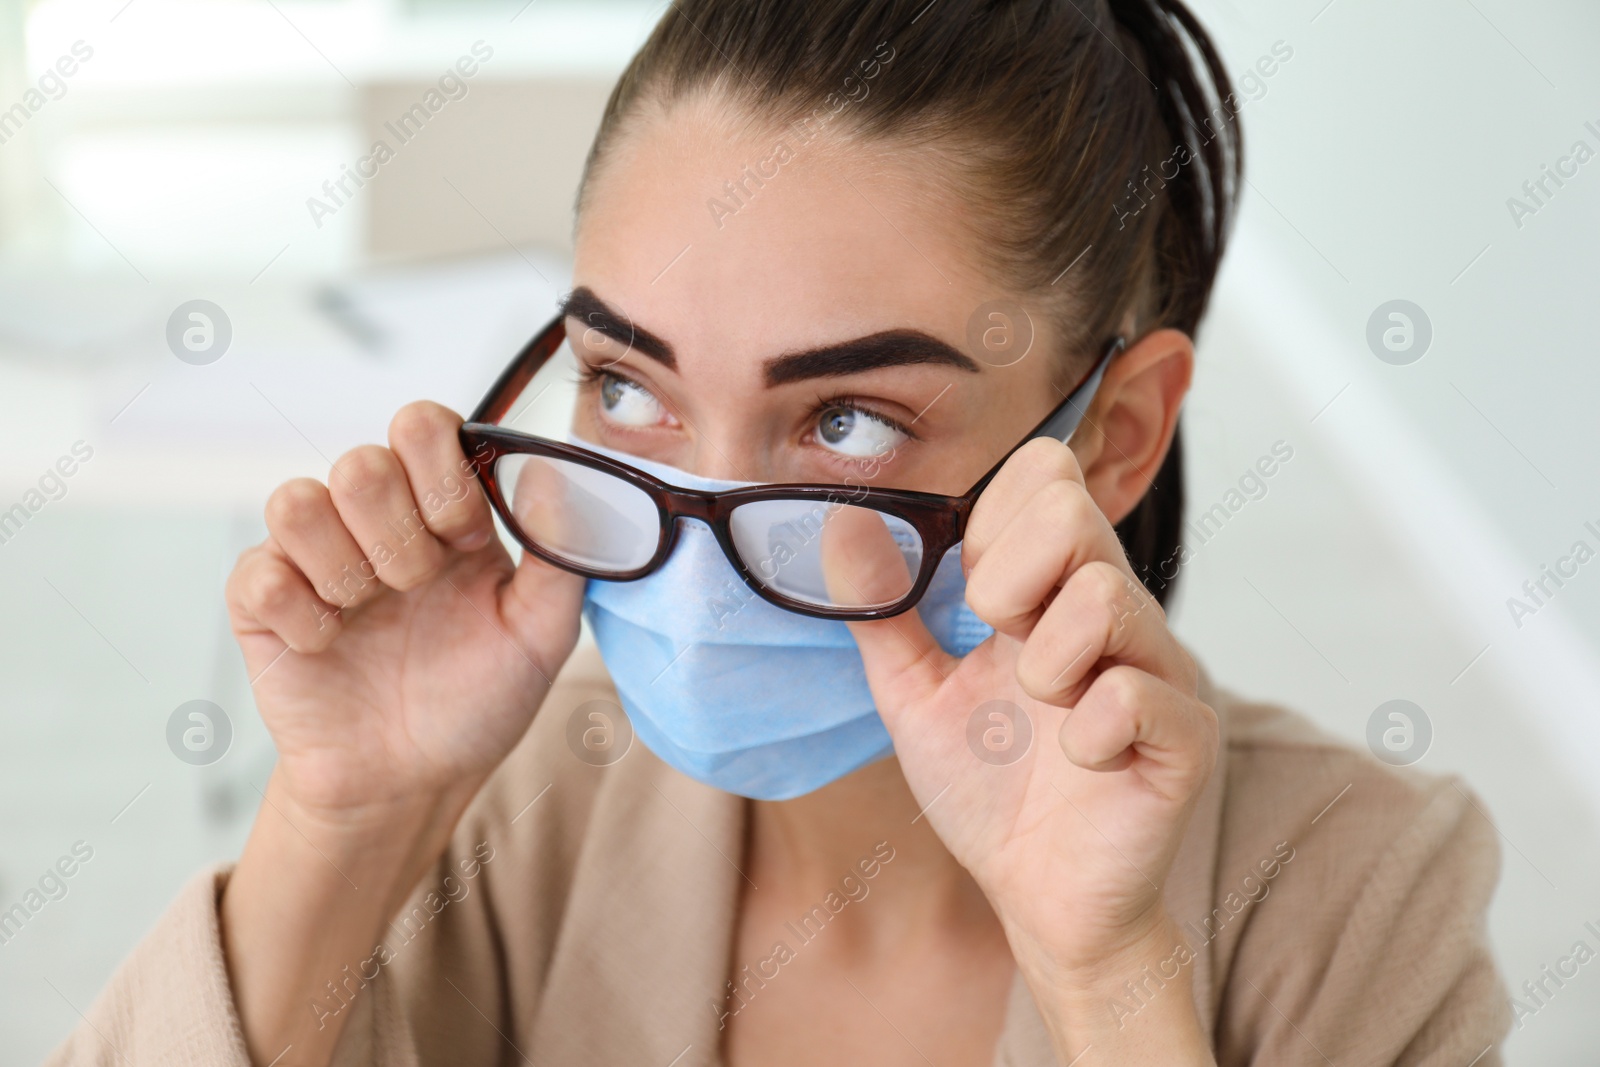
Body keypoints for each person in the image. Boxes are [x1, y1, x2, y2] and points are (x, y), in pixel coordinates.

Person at [48, 1, 1512, 1064]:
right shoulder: (495, 818)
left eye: (847, 421)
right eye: (628, 388)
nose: (694, 547)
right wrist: (344, 827)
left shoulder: (1351, 895)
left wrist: (1109, 977)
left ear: (1114, 436)